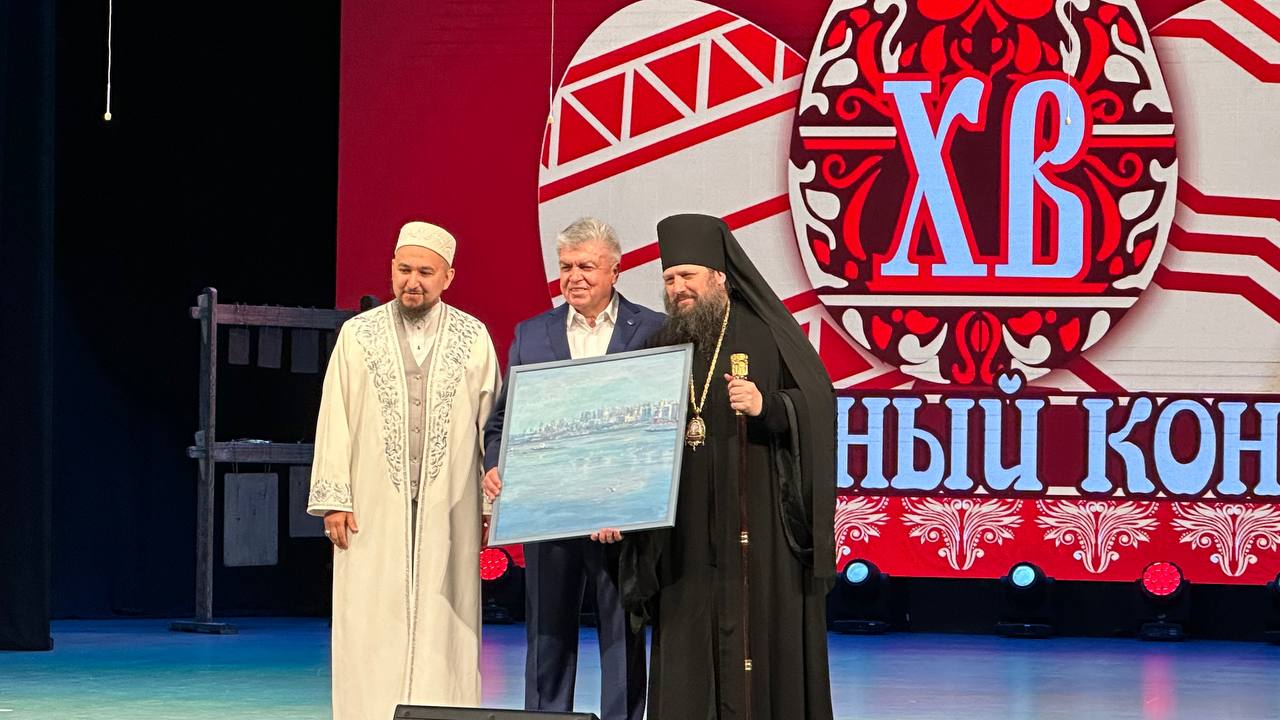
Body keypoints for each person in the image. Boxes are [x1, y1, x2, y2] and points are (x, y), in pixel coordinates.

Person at [600, 213, 837, 720]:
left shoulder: (767, 335)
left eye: (687, 275)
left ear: (719, 277)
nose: (677, 288)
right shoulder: (660, 344)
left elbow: (818, 403)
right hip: (684, 536)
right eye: (669, 279)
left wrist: (769, 406)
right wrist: (618, 503)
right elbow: (633, 441)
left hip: (759, 529)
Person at [308, 221, 501, 720]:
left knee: (447, 622)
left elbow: (492, 427)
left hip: (450, 506)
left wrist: (488, 506)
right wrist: (334, 499)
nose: (412, 282)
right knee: (369, 615)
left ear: (448, 277)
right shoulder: (358, 335)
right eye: (404, 270)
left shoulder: (473, 337)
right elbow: (335, 416)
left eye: (425, 273)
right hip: (370, 505)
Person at [482, 217, 663, 720]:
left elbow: (663, 427)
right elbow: (502, 422)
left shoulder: (653, 330)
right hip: (548, 512)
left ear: (615, 270)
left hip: (620, 518)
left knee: (622, 638)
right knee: (547, 637)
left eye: (586, 266)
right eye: (565, 267)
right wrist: (496, 464)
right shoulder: (531, 334)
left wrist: (633, 501)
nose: (574, 277)